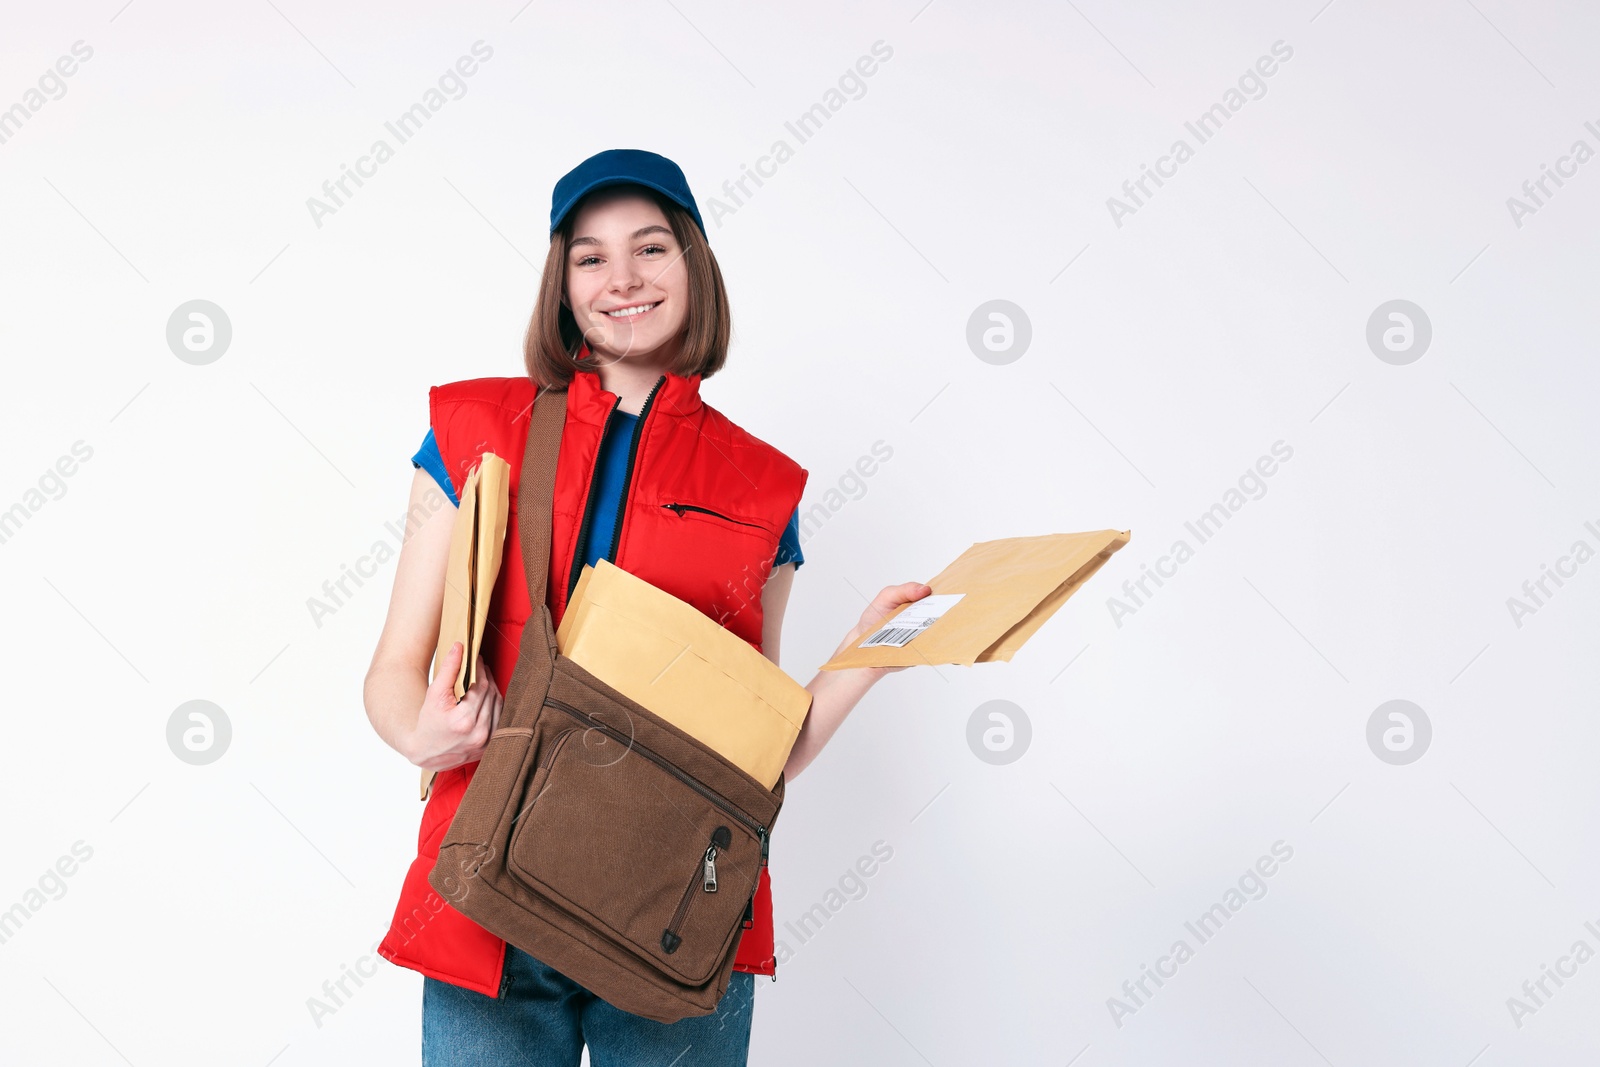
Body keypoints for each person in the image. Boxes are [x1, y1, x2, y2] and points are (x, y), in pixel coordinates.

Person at [364, 148, 930, 1066]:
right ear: (563, 285)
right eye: (590, 257)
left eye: (650, 248)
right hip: (490, 896)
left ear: (695, 266)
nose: (622, 279)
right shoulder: (469, 430)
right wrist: (422, 733)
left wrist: (871, 648)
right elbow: (392, 670)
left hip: (673, 903)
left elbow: (756, 751)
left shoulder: (762, 488)